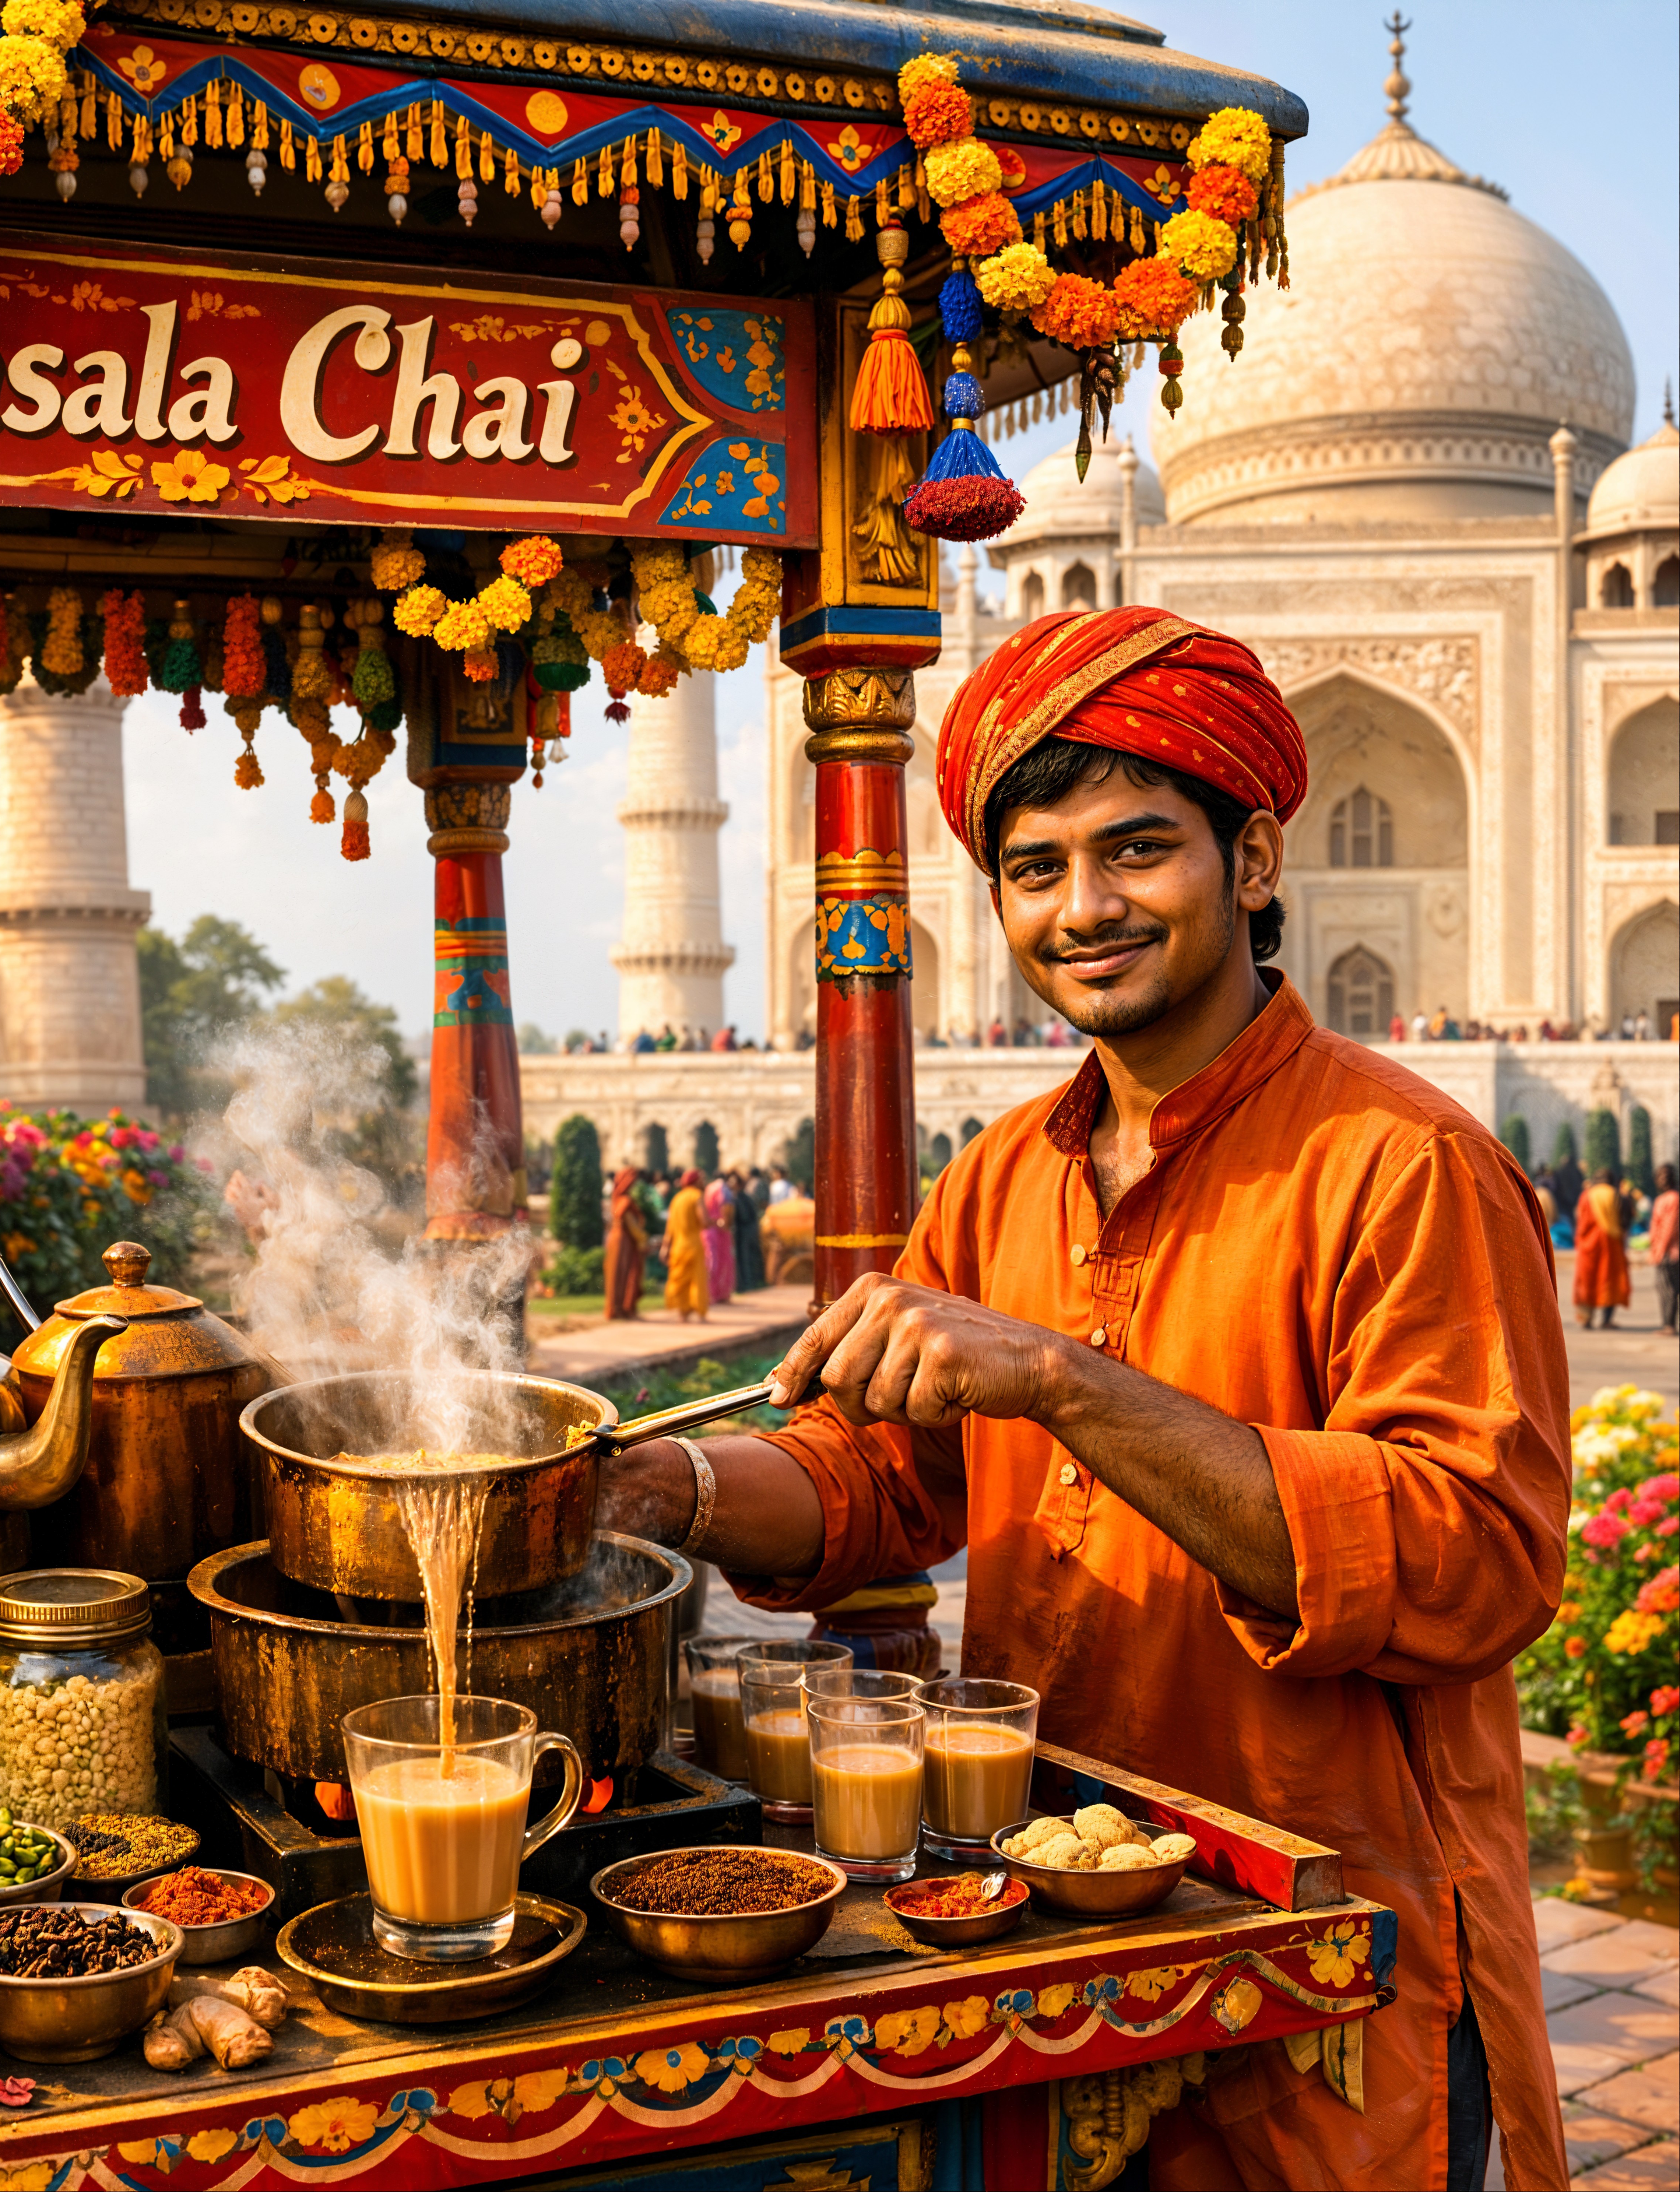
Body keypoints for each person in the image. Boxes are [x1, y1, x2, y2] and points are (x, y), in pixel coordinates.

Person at [596, 606, 1568, 2192]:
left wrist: (1058, 1379)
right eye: (1032, 868)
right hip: (1059, 1926)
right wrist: (659, 1490)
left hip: (1323, 1956)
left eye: (1133, 850)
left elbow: (1468, 1558)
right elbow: (880, 1478)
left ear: (1251, 860)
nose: (1081, 908)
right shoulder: (1001, 1178)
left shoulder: (1399, 1166)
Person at [1574, 1167, 1632, 1331]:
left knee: (1587, 1281)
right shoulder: (1616, 1195)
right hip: (1611, 1245)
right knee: (1610, 1281)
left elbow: (1581, 1223)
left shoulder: (1586, 1196)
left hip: (1588, 1246)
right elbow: (1626, 1221)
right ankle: (1606, 1320)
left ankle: (1586, 1320)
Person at [660, 1168, 708, 1321]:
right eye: (701, 1179)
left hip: (679, 1246)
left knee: (680, 1280)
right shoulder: (697, 1196)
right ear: (695, 1181)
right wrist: (715, 1222)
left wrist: (665, 1247)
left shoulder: (677, 1199)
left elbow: (670, 1228)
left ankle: (683, 1313)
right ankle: (700, 1314)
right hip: (694, 1244)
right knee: (697, 1279)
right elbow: (705, 1222)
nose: (704, 1182)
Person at [603, 1166, 647, 1322]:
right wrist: (643, 1239)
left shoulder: (616, 1200)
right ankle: (623, 1308)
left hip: (616, 1240)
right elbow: (632, 1225)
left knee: (617, 1273)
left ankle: (617, 1308)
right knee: (626, 1273)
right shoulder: (626, 1201)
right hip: (625, 1241)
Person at [1650, 1163, 1679, 1335]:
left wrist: (1660, 1251)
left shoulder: (1672, 1199)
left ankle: (1669, 1326)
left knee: (1668, 1289)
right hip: (1665, 1250)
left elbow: (1670, 1227)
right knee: (1665, 1288)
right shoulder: (1664, 1199)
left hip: (1670, 1252)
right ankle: (1668, 1324)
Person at [729, 1167, 767, 1292]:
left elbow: (744, 1216)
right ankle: (753, 1281)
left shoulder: (739, 1198)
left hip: (745, 1231)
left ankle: (748, 1283)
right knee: (750, 1257)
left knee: (745, 1258)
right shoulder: (746, 1196)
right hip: (751, 1229)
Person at [702, 1171, 735, 1303]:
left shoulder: (708, 1189)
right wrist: (727, 1224)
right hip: (720, 1231)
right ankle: (722, 1294)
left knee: (710, 1262)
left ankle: (710, 1294)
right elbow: (727, 1208)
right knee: (723, 1263)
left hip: (707, 1231)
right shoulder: (723, 1189)